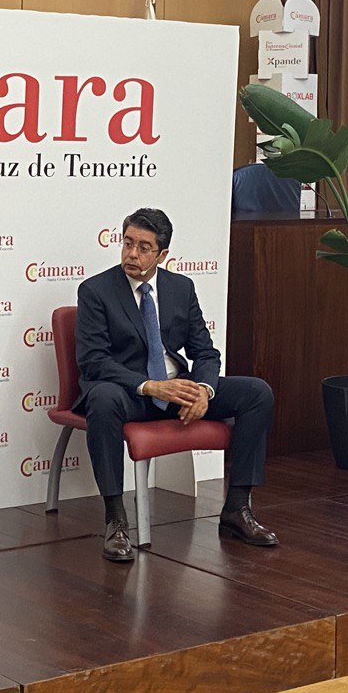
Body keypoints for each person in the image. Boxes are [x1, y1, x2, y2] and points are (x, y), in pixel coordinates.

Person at [75, 207, 277, 561]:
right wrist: (150, 386)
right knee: (102, 398)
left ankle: (236, 508)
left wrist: (203, 390)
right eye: (127, 243)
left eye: (143, 247)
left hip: (177, 389)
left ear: (162, 255)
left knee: (256, 393)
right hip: (130, 392)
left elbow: (205, 351)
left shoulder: (181, 288)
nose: (132, 254)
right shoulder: (96, 290)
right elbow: (94, 361)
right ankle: (116, 520)